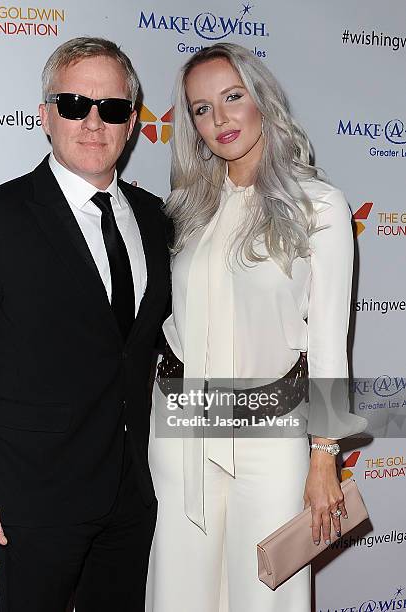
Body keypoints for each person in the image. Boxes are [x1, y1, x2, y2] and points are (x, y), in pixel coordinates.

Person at [0, 37, 171, 612]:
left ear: (131, 123)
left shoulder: (158, 220)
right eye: (73, 104)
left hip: (132, 497)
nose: (92, 121)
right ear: (45, 117)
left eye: (111, 108)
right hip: (29, 505)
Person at [146, 43, 367, 611]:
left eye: (232, 97)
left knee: (267, 595)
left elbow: (327, 342)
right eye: (200, 108)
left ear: (262, 101)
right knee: (179, 593)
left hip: (272, 437)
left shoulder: (319, 206)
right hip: (181, 430)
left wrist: (325, 456)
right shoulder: (183, 210)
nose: (218, 119)